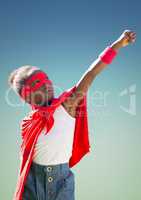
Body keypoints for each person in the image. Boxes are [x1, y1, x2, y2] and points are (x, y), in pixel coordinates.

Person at [8, 30, 136, 200]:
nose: (47, 83)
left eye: (46, 78)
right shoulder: (28, 123)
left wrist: (117, 45)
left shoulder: (67, 105)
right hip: (33, 183)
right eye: (38, 82)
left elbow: (91, 74)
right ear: (27, 96)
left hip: (62, 182)